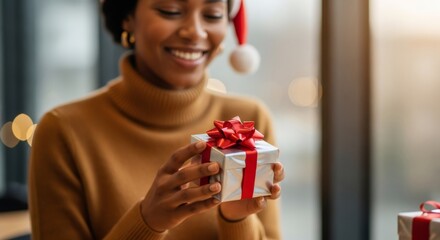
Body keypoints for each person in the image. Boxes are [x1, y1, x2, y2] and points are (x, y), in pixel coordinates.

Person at [28, 0, 285, 239]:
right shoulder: (63, 130)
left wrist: (237, 220)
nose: (195, 32)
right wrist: (147, 221)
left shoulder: (247, 124)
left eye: (212, 15)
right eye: (170, 11)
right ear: (128, 17)